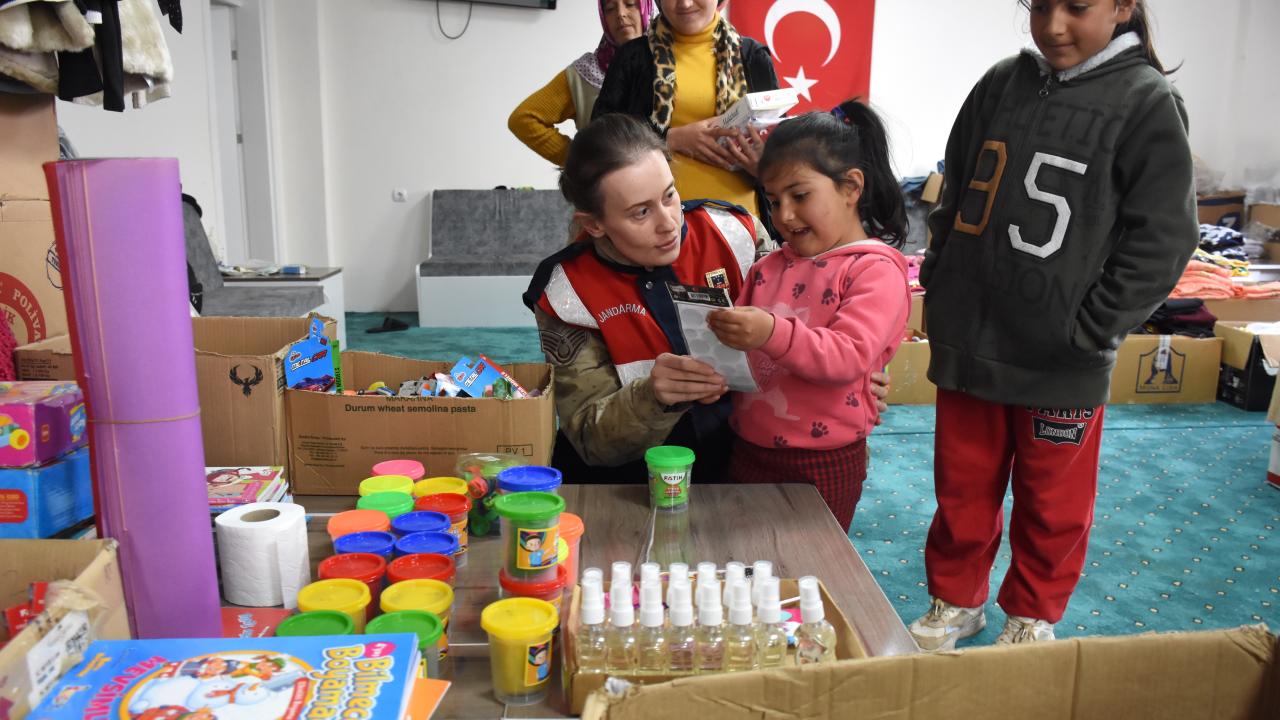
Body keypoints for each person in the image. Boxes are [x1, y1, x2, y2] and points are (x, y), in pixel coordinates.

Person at [909, 0, 1197, 651]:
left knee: (1053, 501)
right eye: (1040, 6)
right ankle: (956, 600)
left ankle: (1032, 613)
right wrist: (941, 275)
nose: (1054, 25)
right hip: (972, 342)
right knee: (962, 486)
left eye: (1077, 7)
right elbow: (955, 189)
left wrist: (1094, 327)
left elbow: (1165, 237)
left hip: (1064, 357)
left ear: (1122, 6)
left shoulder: (1146, 100)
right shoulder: (1000, 83)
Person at [521, 113, 892, 484]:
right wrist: (651, 397)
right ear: (594, 224)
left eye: (669, 195)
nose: (668, 223)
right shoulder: (567, 290)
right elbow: (590, 440)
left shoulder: (737, 233)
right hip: (632, 479)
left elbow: (827, 313)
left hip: (749, 455)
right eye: (641, 212)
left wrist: (863, 375)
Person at [708, 100, 911, 532]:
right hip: (748, 447)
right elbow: (738, 354)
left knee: (812, 564)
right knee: (745, 557)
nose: (784, 215)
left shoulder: (873, 270)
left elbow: (846, 356)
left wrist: (769, 331)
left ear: (851, 187)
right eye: (773, 200)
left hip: (824, 459)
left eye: (800, 196)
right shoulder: (767, 267)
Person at [593, 0, 777, 216]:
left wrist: (765, 167)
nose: (685, 3)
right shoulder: (633, 57)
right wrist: (670, 139)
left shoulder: (752, 56)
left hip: (741, 220)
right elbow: (599, 133)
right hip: (657, 222)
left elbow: (781, 146)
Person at [508, 0, 654, 166]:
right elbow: (523, 119)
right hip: (606, 181)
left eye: (630, 4)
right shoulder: (585, 73)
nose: (620, 14)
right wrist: (581, 162)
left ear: (646, 7)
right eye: (610, 9)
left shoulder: (671, 63)